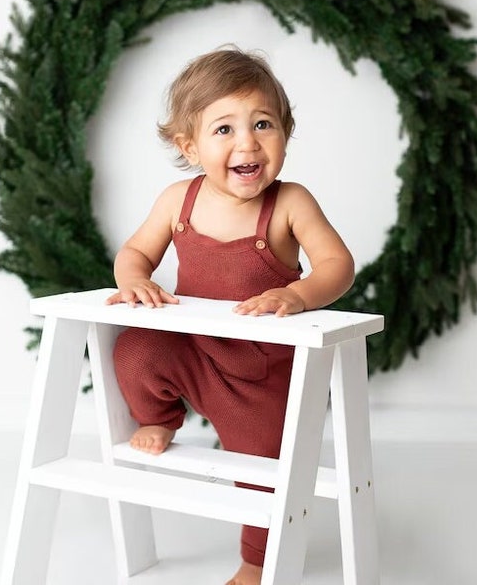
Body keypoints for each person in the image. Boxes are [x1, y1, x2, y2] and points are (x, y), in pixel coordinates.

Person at [106, 46, 355, 585]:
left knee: (266, 469)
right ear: (188, 145)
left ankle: (255, 561)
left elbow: (338, 264)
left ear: (285, 133)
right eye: (224, 129)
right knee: (135, 349)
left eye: (263, 123)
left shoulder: (291, 203)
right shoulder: (179, 200)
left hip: (259, 374)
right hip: (195, 351)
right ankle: (160, 417)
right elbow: (134, 254)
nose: (248, 142)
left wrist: (300, 293)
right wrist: (135, 280)